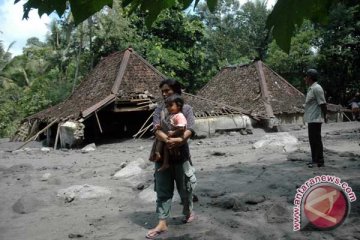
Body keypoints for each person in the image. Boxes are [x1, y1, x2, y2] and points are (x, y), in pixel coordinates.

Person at [146, 78, 196, 239]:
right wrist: (167, 140)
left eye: (167, 90)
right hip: (162, 153)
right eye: (163, 91)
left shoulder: (186, 109)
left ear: (176, 90)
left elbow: (190, 129)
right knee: (162, 189)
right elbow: (156, 129)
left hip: (181, 155)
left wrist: (180, 140)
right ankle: (162, 221)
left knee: (185, 188)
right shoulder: (159, 109)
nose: (164, 93)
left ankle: (187, 211)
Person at [151, 94, 187, 171]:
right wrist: (159, 126)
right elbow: (166, 125)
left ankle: (164, 161)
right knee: (159, 136)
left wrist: (173, 133)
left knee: (165, 146)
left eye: (171, 106)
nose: (168, 108)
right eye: (167, 106)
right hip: (170, 135)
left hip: (176, 135)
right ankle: (160, 156)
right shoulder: (171, 115)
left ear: (179, 106)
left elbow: (182, 128)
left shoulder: (179, 116)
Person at [304, 69, 327, 168]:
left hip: (316, 119)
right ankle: (315, 160)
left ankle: (319, 161)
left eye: (306, 77)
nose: (304, 79)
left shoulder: (317, 88)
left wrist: (325, 116)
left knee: (316, 140)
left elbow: (323, 103)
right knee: (313, 140)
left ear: (309, 77)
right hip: (311, 119)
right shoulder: (311, 89)